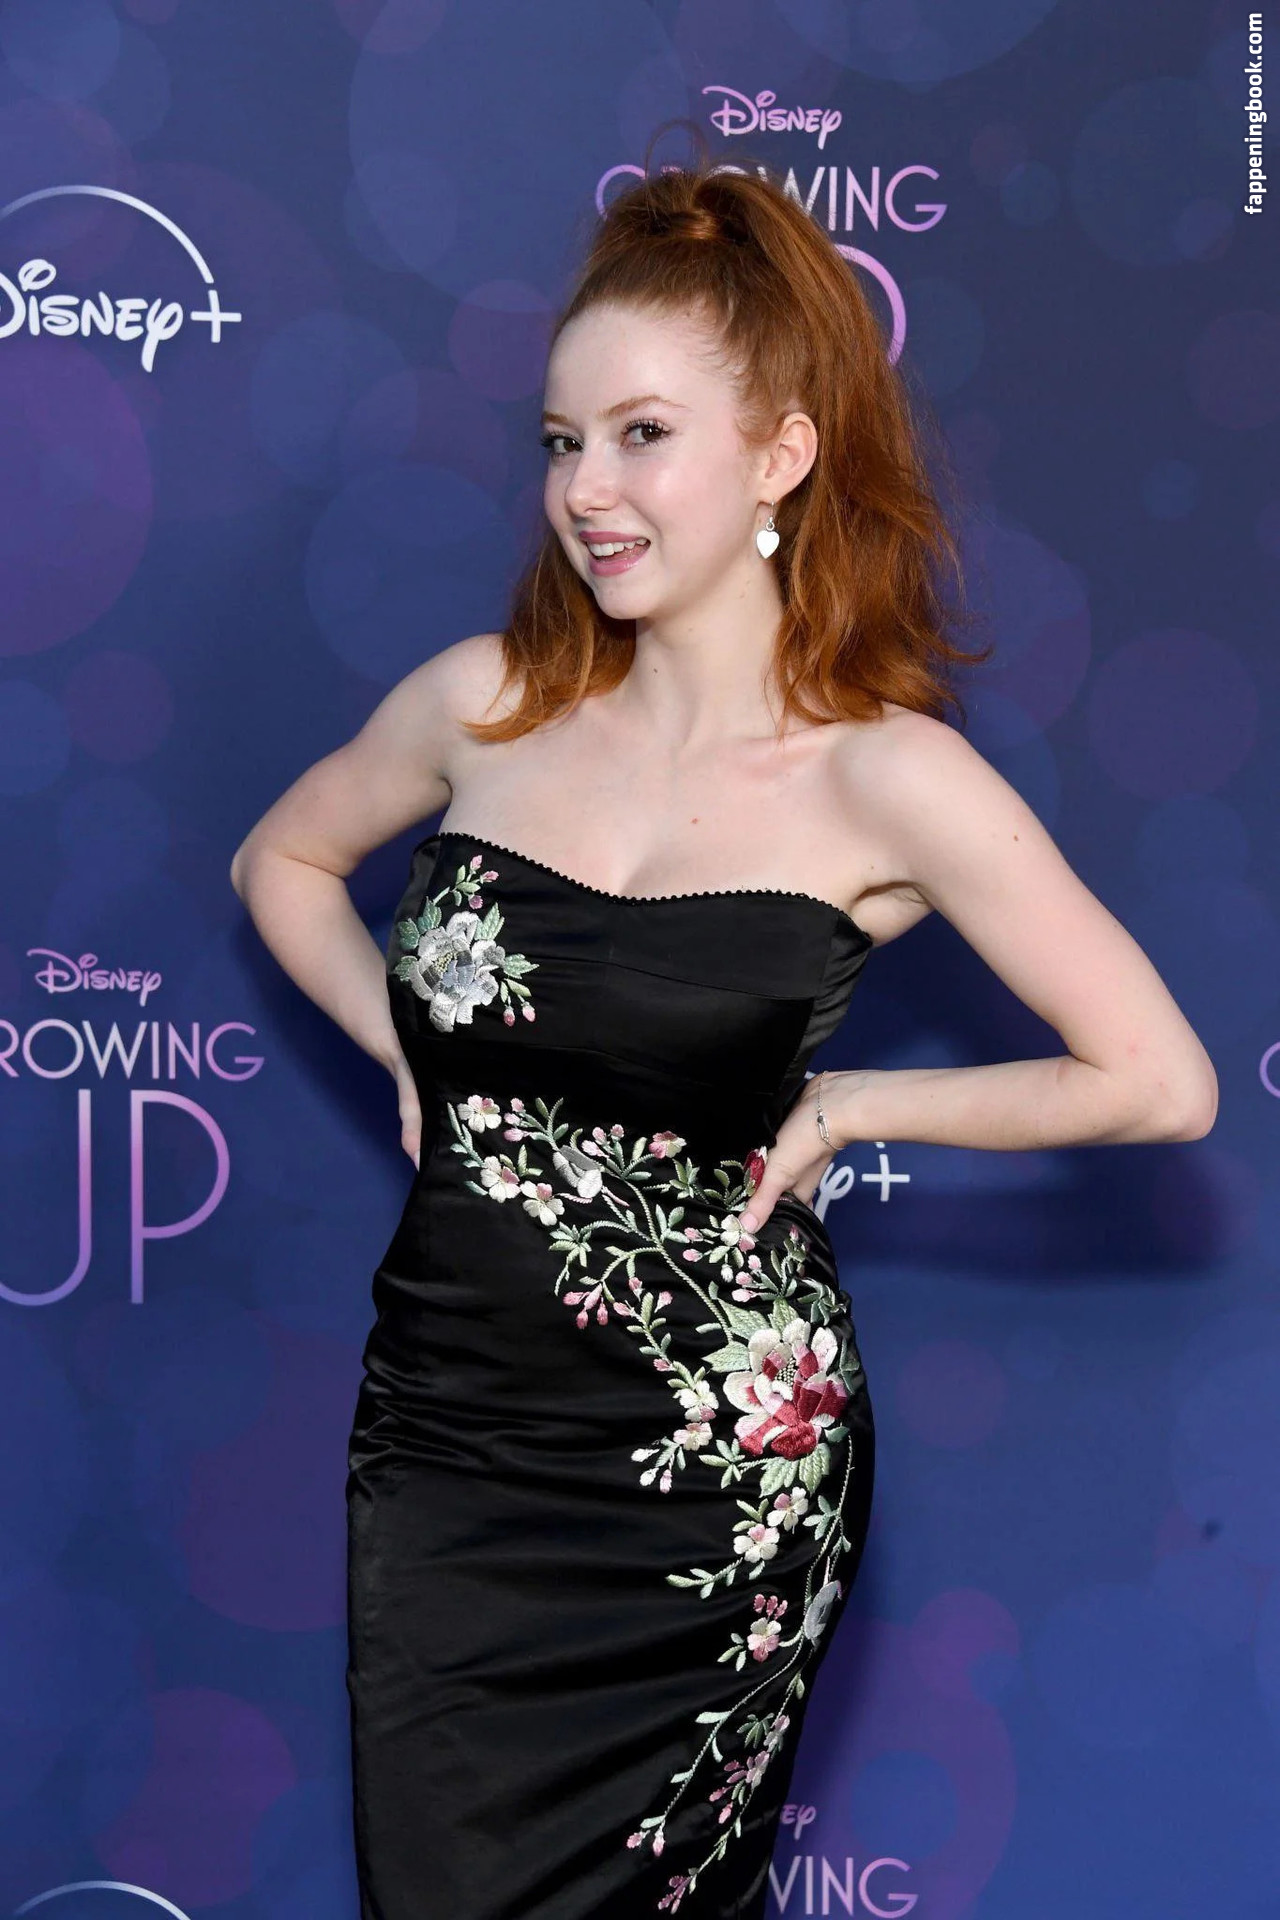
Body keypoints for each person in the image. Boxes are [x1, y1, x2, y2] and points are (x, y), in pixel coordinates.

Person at [230, 156, 1217, 1920]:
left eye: (643, 436)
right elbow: (281, 862)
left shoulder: (887, 775)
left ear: (781, 455)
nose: (586, 491)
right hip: (451, 1439)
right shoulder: (480, 703)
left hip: (714, 1468)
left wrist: (849, 1105)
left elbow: (1159, 1079)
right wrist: (404, 1047)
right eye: (561, 443)